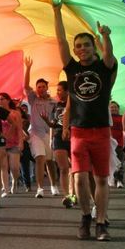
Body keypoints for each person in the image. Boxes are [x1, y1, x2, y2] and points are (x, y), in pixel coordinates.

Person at [53, 2, 117, 242]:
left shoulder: (103, 67)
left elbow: (109, 55)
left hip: (101, 131)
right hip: (79, 133)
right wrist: (56, 12)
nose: (81, 49)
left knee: (101, 179)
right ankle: (85, 216)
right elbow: (60, 42)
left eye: (86, 45)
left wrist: (105, 37)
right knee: (79, 177)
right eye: (78, 46)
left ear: (93, 48)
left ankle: (101, 223)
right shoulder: (71, 69)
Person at [23, 57, 58, 199]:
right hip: (35, 133)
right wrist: (28, 68)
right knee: (40, 158)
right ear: (36, 89)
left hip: (47, 134)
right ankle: (40, 188)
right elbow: (25, 86)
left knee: (50, 161)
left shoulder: (53, 102)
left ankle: (54, 186)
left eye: (43, 86)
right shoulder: (33, 99)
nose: (41, 89)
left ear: (47, 88)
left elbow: (55, 120)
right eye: (39, 87)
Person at [50, 80, 76, 208]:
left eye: (60, 90)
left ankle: (74, 193)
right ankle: (67, 196)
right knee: (64, 168)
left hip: (74, 137)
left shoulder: (75, 104)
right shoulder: (56, 106)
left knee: (75, 169)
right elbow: (53, 124)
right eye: (57, 90)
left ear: (67, 91)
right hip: (58, 137)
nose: (57, 92)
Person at [0, 94, 25, 197]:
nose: (0, 101)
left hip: (14, 143)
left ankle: (14, 180)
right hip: (1, 143)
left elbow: (19, 128)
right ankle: (5, 189)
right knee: (3, 167)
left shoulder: (15, 113)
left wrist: (21, 141)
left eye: (2, 99)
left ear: (8, 100)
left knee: (15, 168)